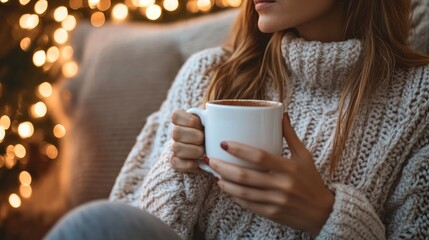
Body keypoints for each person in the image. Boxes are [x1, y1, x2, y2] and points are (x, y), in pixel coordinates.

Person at [45, 0, 429, 239]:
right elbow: (123, 220)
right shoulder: (209, 74)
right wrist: (178, 167)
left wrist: (326, 215)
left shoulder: (419, 99)